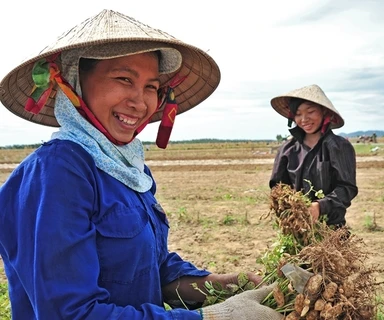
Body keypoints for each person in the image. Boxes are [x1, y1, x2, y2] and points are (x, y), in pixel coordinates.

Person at [0, 9, 283, 320]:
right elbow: (70, 314)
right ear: (74, 84)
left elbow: (151, 269)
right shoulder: (58, 171)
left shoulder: (128, 169)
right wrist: (216, 317)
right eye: (124, 79)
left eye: (151, 86)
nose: (140, 101)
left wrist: (220, 286)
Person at [269, 84, 358, 227]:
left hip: (331, 230)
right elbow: (277, 187)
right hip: (296, 229)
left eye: (310, 111)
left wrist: (320, 206)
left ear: (324, 112)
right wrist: (290, 208)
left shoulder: (339, 146)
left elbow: (347, 188)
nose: (304, 119)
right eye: (298, 114)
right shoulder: (287, 149)